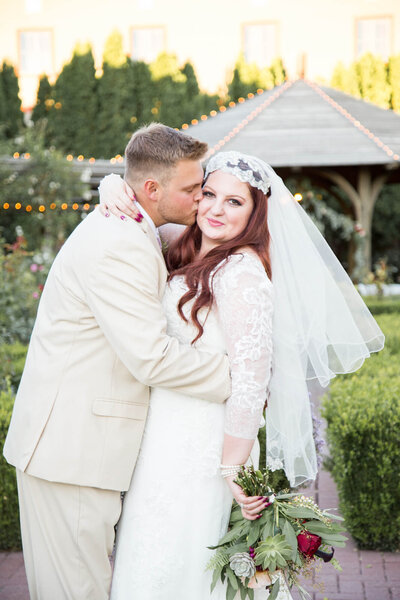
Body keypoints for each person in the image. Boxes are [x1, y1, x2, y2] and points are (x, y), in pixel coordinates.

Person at [98, 150, 384, 599]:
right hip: (163, 436)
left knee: (189, 559)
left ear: (255, 213)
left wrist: (232, 467)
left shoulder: (242, 273)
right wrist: (112, 187)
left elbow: (253, 380)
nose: (215, 209)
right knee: (152, 553)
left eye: (235, 202)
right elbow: (144, 207)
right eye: (209, 194)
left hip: (207, 444)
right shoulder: (189, 244)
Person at [3, 124, 244, 600]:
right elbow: (151, 359)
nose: (201, 200)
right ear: (152, 190)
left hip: (77, 450)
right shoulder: (120, 242)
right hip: (70, 454)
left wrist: (115, 183)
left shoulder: (133, 222)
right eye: (193, 189)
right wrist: (238, 377)